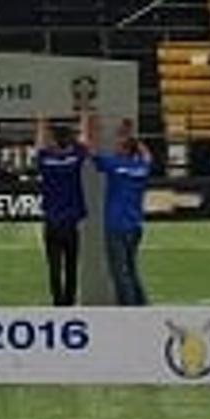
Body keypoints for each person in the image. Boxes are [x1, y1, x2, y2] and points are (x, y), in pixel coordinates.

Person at [90, 117, 153, 306]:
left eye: (119, 145)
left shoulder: (115, 165)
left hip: (116, 225)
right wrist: (130, 136)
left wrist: (93, 130)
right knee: (132, 269)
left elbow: (92, 153)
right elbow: (147, 155)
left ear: (125, 151)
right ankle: (142, 305)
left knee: (119, 272)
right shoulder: (141, 168)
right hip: (134, 225)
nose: (115, 147)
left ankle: (128, 309)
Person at [34, 117, 89, 307]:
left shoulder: (46, 160)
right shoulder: (74, 159)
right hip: (70, 223)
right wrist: (85, 116)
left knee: (54, 267)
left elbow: (39, 147)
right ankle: (69, 301)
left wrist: (41, 123)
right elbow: (84, 142)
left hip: (52, 221)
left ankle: (58, 302)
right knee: (72, 266)